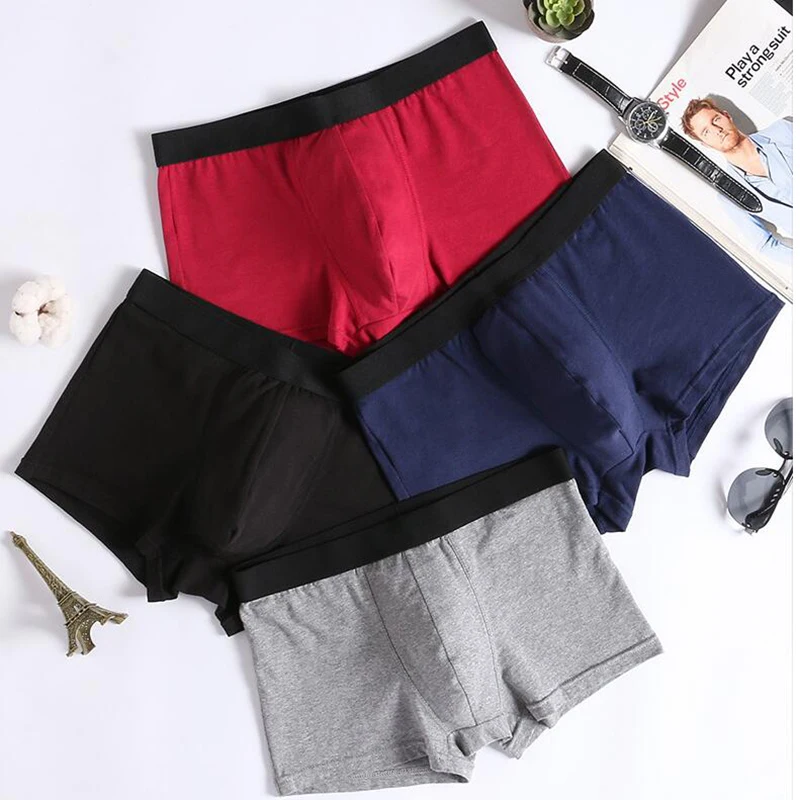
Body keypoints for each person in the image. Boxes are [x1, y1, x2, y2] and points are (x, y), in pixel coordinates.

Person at [681, 98, 792, 266]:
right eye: (706, 132)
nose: (717, 130)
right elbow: (764, 245)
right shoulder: (729, 194)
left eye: (716, 120)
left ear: (727, 116)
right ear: (705, 144)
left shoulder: (782, 131)